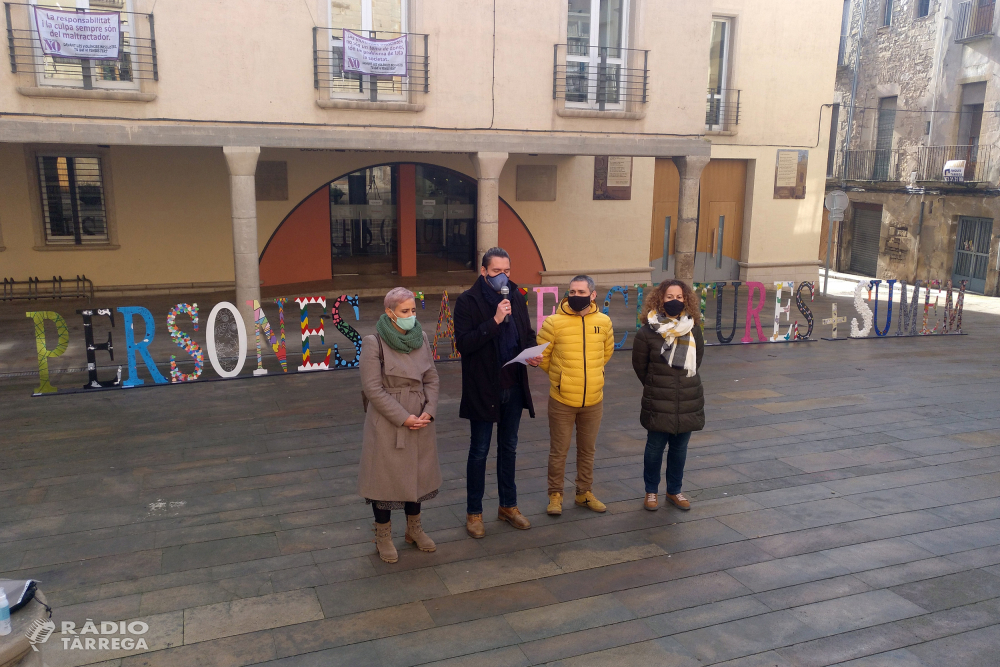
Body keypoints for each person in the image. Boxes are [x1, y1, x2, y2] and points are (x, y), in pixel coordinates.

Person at [454, 247, 542, 537]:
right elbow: (464, 344)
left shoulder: (516, 296)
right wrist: (493, 321)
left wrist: (531, 353)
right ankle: (474, 513)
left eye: (507, 271)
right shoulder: (468, 301)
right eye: (496, 271)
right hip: (484, 388)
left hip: (513, 385)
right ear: (483, 272)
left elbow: (526, 333)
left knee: (509, 447)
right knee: (479, 451)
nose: (503, 276)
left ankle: (508, 506)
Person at [357, 287, 442, 563]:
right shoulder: (374, 342)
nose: (410, 316)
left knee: (417, 474)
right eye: (405, 311)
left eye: (413, 310)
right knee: (385, 479)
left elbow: (431, 377)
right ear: (390, 313)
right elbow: (372, 388)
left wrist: (429, 411)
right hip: (389, 420)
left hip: (419, 417)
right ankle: (383, 535)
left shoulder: (422, 337)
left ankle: (413, 529)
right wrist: (403, 417)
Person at [537, 275, 614, 516]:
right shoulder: (553, 322)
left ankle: (584, 493)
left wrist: (592, 374)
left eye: (581, 292)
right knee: (559, 450)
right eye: (572, 291)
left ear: (592, 295)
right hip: (562, 399)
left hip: (593, 399)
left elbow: (606, 353)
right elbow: (543, 356)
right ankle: (555, 495)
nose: (576, 296)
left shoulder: (604, 321)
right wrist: (562, 378)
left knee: (587, 449)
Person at [631, 279, 705, 512]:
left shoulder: (693, 329)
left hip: (687, 398)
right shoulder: (647, 332)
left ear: (687, 300)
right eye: (670, 297)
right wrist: (655, 385)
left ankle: (675, 490)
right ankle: (651, 491)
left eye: (680, 297)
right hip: (659, 399)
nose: (675, 301)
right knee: (654, 448)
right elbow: (640, 367)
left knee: (679, 449)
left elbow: (697, 361)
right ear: (660, 299)